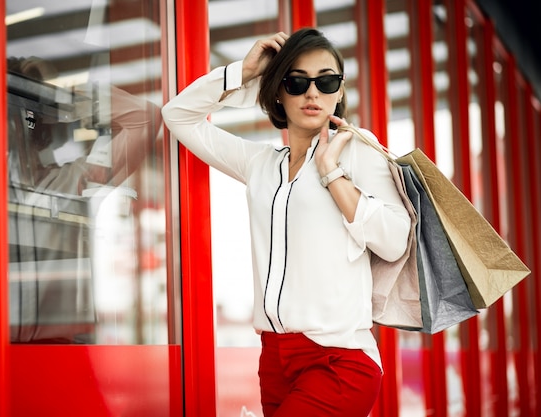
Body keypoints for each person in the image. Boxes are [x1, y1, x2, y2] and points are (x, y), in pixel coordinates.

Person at [162, 28, 411, 417]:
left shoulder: (357, 151)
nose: (313, 94)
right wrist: (242, 72)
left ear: (340, 92)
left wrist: (332, 175)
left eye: (326, 82)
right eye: (297, 82)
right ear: (279, 91)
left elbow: (396, 241)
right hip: (274, 359)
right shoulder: (261, 165)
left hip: (340, 360)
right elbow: (177, 115)